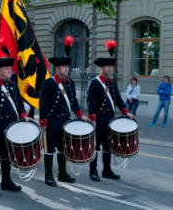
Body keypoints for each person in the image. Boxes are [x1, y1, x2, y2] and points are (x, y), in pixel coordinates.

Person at [0, 39, 32, 196]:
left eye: (10, 68)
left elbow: (19, 103)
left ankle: (7, 181)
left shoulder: (12, 84)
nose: (10, 71)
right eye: (7, 68)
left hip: (12, 125)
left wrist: (24, 115)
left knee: (8, 154)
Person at [39, 36, 90, 186]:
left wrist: (81, 115)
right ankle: (49, 175)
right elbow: (43, 104)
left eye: (68, 67)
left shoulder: (70, 83)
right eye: (64, 67)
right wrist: (43, 122)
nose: (67, 69)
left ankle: (62, 174)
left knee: (63, 149)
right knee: (49, 149)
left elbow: (73, 101)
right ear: (57, 68)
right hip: (52, 121)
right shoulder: (49, 83)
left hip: (66, 121)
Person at [87, 40, 135, 182]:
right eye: (107, 66)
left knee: (108, 145)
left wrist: (126, 112)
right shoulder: (95, 82)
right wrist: (92, 119)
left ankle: (106, 170)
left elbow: (119, 100)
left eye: (110, 66)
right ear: (101, 67)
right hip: (99, 119)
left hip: (110, 118)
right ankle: (93, 170)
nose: (109, 68)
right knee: (96, 145)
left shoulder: (112, 83)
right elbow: (91, 102)